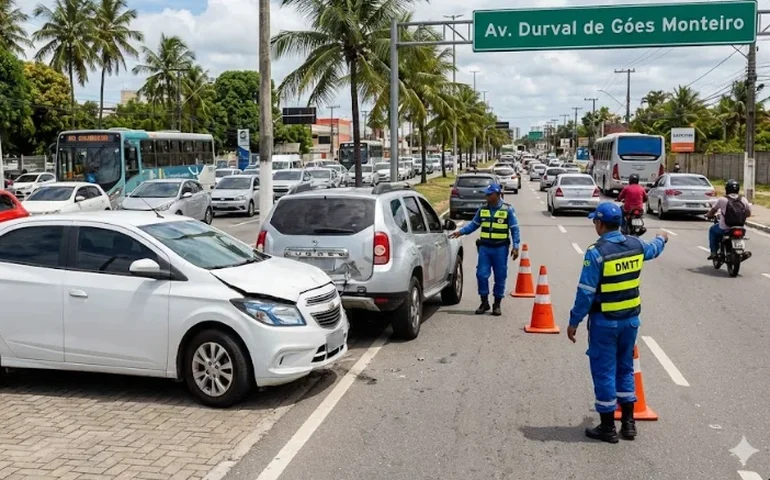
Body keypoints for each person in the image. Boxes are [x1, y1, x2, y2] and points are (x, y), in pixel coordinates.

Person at [567, 202, 668, 443]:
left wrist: (574, 321)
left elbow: (585, 293)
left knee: (604, 371)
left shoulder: (596, 252)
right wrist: (662, 237)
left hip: (605, 323)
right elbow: (653, 249)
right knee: (625, 368)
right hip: (630, 322)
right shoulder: (635, 245)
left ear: (600, 224)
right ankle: (629, 424)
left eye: (595, 221)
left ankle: (607, 427)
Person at [449, 184, 520, 316]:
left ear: (497, 195)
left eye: (489, 194)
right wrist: (460, 232)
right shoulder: (483, 209)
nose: (486, 196)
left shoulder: (507, 209)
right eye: (486, 194)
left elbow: (514, 229)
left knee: (500, 276)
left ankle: (497, 304)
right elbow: (474, 225)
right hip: (485, 248)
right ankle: (484, 302)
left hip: (500, 248)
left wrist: (516, 246)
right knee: (481, 275)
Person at [705, 179, 751, 260]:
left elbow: (713, 211)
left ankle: (714, 252)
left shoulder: (722, 199)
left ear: (727, 189)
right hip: (740, 228)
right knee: (741, 237)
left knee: (712, 230)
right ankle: (742, 251)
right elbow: (748, 213)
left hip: (724, 228)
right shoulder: (743, 199)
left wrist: (708, 215)